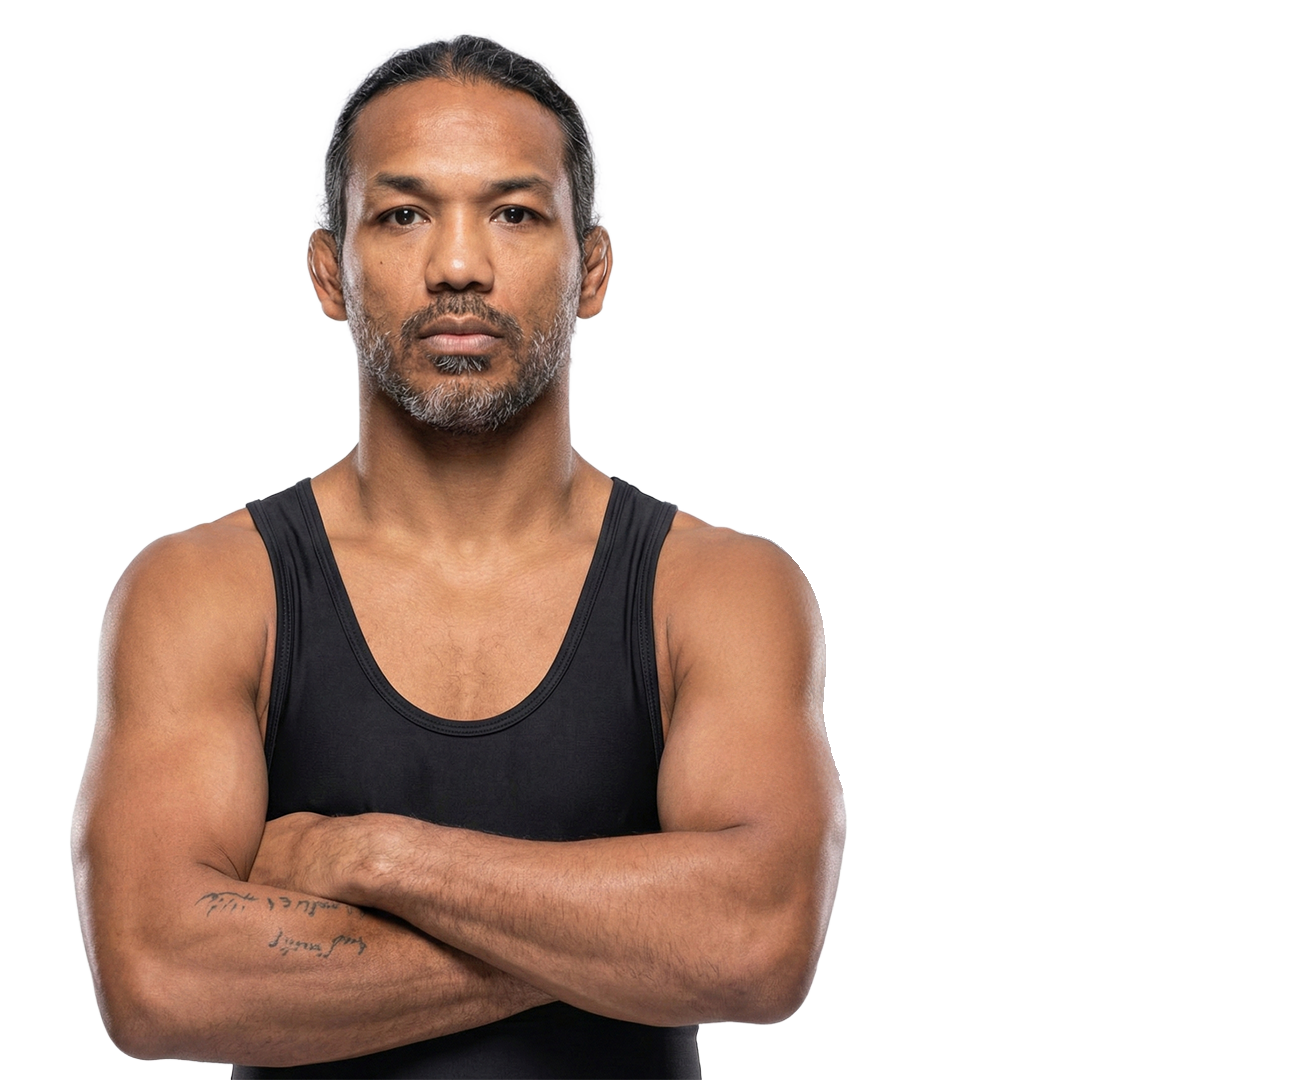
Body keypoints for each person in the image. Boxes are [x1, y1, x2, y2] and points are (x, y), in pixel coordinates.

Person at [72, 34, 845, 1078]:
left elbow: (759, 944)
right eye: (403, 215)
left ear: (592, 271)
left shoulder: (719, 592)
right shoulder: (207, 591)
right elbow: (158, 980)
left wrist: (371, 857)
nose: (459, 265)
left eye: (515, 213)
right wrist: (636, 934)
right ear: (330, 273)